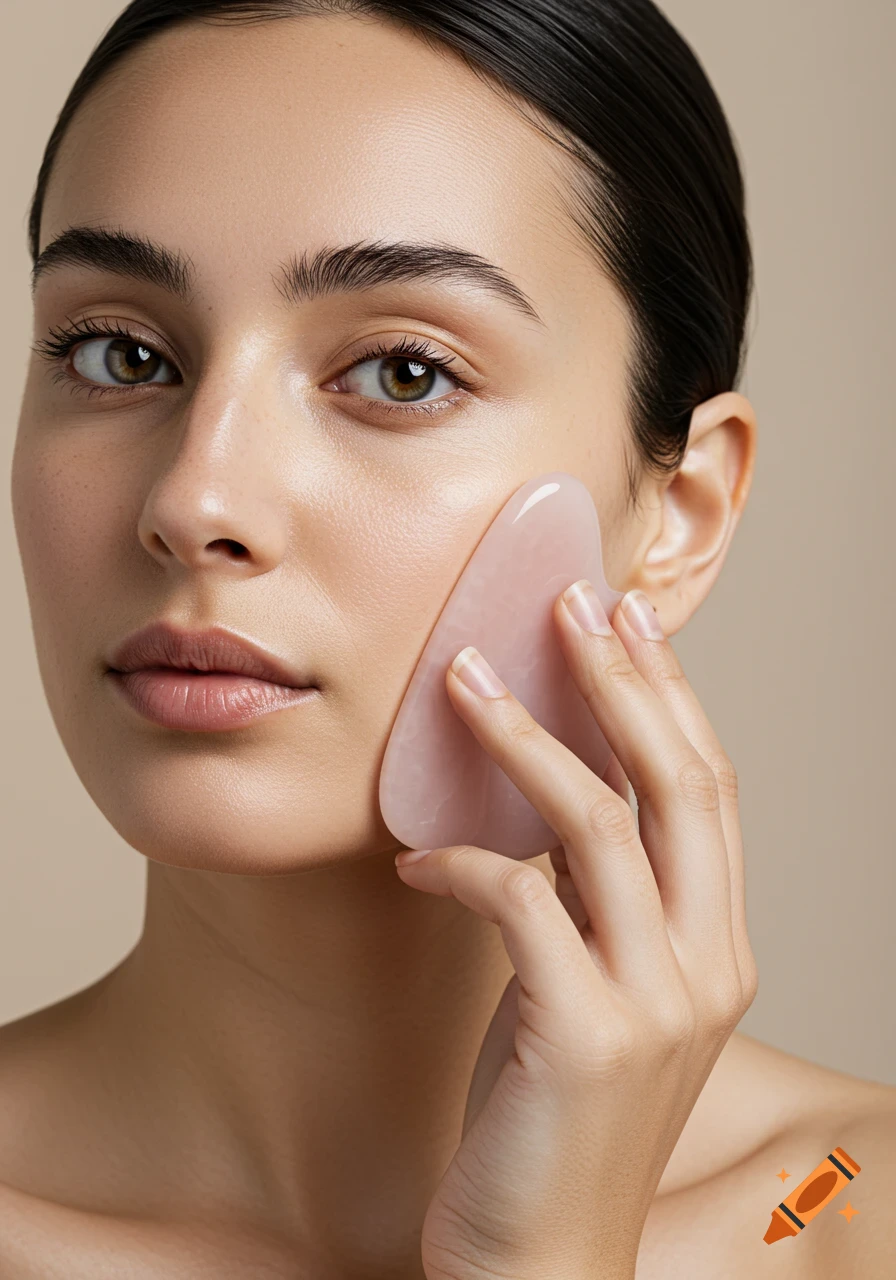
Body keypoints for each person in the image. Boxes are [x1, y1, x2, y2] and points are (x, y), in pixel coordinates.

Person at [3, 1, 894, 1276]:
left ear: (682, 513)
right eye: (118, 351)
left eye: (403, 373)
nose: (195, 501)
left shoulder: (843, 1203)